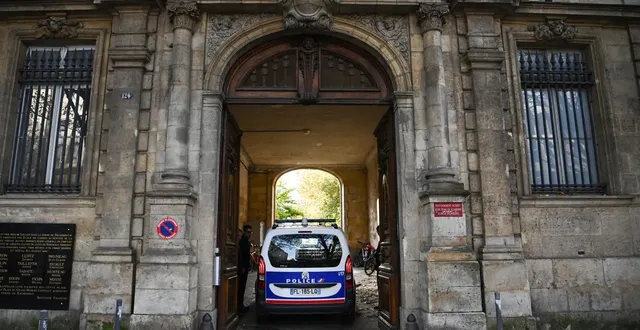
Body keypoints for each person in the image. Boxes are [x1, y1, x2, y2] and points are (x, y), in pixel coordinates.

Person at [237, 224, 253, 314]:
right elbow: (242, 256)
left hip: (245, 267)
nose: (249, 234)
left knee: (242, 287)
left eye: (251, 232)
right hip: (242, 268)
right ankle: (239, 307)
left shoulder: (246, 241)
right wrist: (242, 267)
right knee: (240, 287)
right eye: (248, 232)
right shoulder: (242, 242)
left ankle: (240, 305)